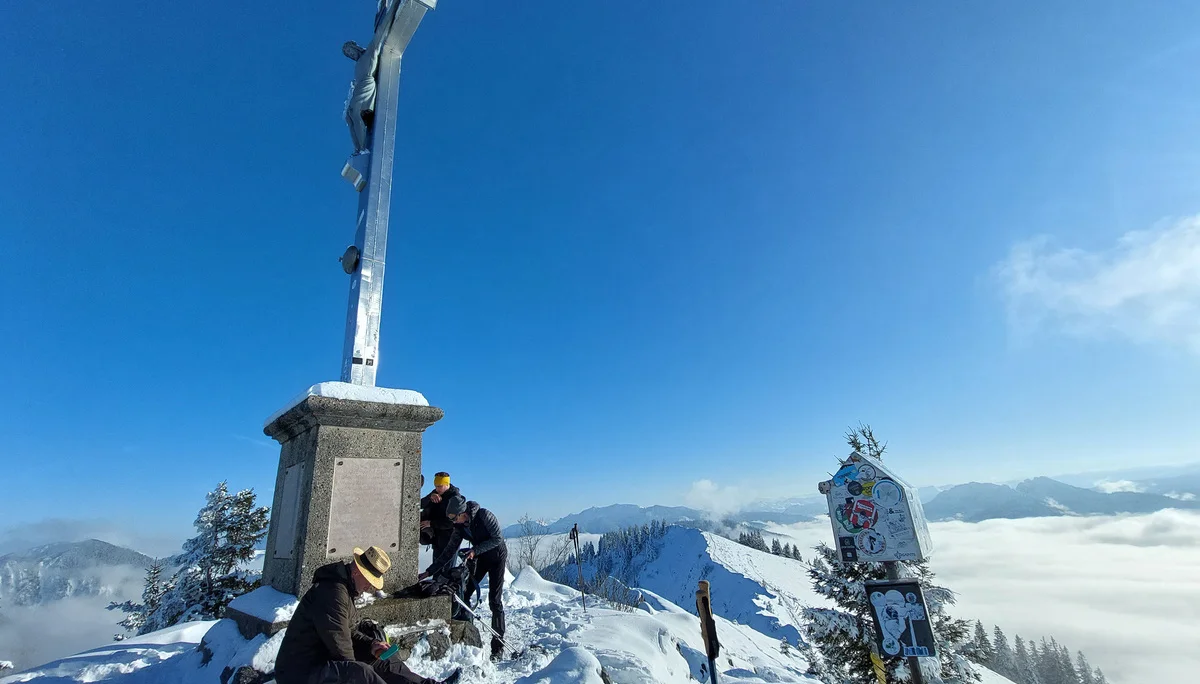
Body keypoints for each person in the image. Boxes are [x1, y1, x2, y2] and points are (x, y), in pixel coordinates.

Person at [274, 545, 460, 684]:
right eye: (369, 580)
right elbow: (341, 647)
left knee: (384, 659)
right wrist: (357, 667)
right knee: (361, 673)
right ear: (356, 571)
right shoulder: (332, 593)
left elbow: (350, 631)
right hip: (301, 672)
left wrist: (372, 645)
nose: (370, 586)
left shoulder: (345, 589)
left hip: (323, 660)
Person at [421, 496, 507, 659]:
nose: (453, 522)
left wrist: (475, 550)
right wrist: (429, 571)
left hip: (497, 558)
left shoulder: (484, 516)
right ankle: (469, 636)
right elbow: (449, 552)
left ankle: (498, 647)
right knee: (465, 594)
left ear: (463, 513)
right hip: (479, 558)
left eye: (454, 518)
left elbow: (497, 539)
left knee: (495, 602)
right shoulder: (460, 527)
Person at [419, 472, 460, 556]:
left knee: (446, 567)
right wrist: (430, 497)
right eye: (436, 486)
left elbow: (452, 522)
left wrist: (430, 523)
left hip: (449, 539)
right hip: (437, 538)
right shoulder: (435, 492)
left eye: (440, 486)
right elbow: (420, 504)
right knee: (436, 566)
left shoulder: (455, 498)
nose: (437, 489)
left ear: (447, 484)